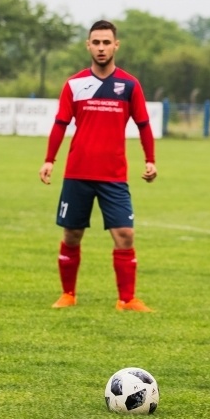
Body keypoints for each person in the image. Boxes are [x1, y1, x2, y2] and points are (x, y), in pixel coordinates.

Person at [39, 19, 157, 312]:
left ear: (116, 45)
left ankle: (127, 300)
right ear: (88, 45)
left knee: (125, 235)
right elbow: (60, 124)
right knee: (71, 234)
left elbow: (143, 125)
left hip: (113, 176)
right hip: (77, 173)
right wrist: (49, 160)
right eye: (96, 42)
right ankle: (68, 294)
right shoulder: (75, 84)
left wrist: (150, 160)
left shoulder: (129, 85)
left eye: (107, 42)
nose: (101, 48)